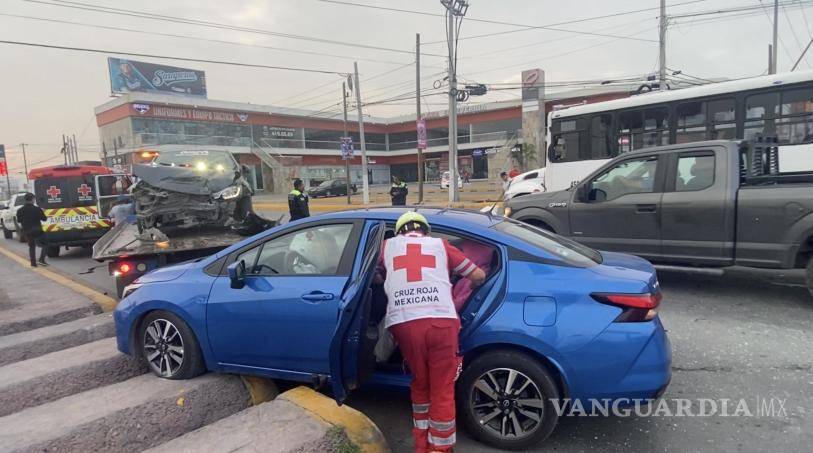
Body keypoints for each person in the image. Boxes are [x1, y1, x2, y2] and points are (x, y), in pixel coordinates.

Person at [375, 212, 486, 452]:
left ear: (399, 231)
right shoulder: (441, 245)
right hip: (441, 322)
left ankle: (421, 444)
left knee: (421, 382)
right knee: (442, 388)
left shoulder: (386, 246)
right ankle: (440, 448)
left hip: (404, 323)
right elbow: (478, 275)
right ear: (426, 230)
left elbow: (373, 276)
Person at [16, 193, 48, 267]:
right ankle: (41, 260)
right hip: (37, 230)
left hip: (27, 231)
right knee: (46, 243)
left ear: (25, 200)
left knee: (31, 246)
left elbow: (19, 221)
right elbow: (44, 219)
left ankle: (33, 263)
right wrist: (43, 212)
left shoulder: (20, 210)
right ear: (33, 199)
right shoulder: (37, 209)